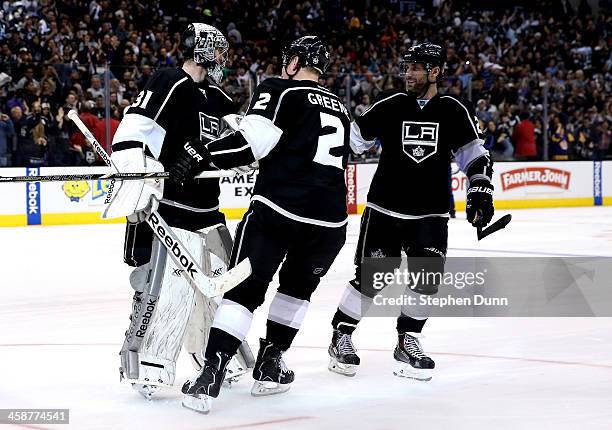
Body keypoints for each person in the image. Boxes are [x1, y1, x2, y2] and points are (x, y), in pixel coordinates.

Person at [171, 35, 351, 413]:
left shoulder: (280, 90)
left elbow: (249, 146)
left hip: (279, 210)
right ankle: (271, 364)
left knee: (244, 291)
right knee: (296, 292)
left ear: (295, 61)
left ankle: (211, 373)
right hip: (330, 222)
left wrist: (200, 154)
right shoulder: (340, 108)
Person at [326, 43, 494, 381]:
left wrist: (480, 190)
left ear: (434, 72)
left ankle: (408, 341)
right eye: (407, 67)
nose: (408, 74)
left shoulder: (453, 110)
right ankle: (341, 335)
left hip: (430, 212)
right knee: (373, 278)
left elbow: (475, 156)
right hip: (385, 207)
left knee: (426, 281)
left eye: (416, 68)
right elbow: (353, 140)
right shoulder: (390, 105)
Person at [106, 23, 253, 400]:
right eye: (217, 50)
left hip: (211, 210)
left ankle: (220, 357)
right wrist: (137, 180)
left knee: (225, 290)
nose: (223, 58)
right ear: (200, 50)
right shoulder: (170, 81)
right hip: (171, 208)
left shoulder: (220, 98)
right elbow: (132, 130)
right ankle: (149, 363)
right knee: (168, 291)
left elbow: (239, 146)